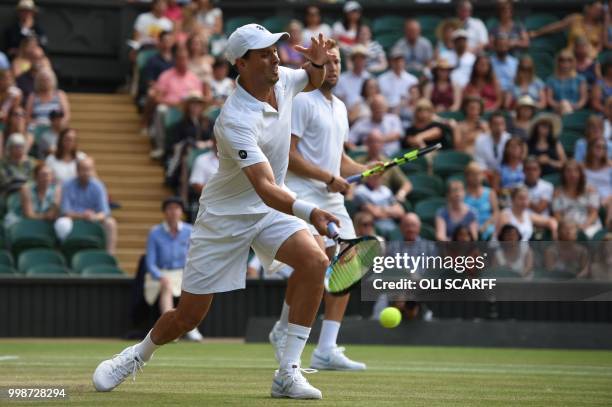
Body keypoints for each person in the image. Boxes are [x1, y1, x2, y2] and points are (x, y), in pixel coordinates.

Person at [93, 24, 339, 399]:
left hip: (269, 210)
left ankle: (287, 372)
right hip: (225, 217)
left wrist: (319, 64)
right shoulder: (234, 120)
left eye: (275, 49)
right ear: (240, 63)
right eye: (264, 53)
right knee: (188, 316)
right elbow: (265, 187)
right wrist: (311, 212)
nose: (275, 57)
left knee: (314, 262)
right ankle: (137, 355)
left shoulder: (285, 79)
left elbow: (312, 78)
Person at [269, 41, 369, 371]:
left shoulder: (339, 106)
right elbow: (290, 155)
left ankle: (326, 349)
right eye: (330, 61)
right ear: (317, 63)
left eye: (339, 62)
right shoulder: (301, 101)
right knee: (315, 259)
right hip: (302, 194)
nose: (335, 67)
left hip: (332, 198)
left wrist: (365, 169)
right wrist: (329, 177)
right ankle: (283, 329)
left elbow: (338, 158)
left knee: (349, 263)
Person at [144, 197, 203, 342]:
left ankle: (190, 327)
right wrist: (160, 276)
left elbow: (194, 255)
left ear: (181, 212)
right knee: (167, 285)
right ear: (165, 212)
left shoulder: (190, 230)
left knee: (192, 286)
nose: (173, 212)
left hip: (183, 272)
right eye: (170, 208)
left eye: (176, 208)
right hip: (160, 274)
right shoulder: (155, 232)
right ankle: (170, 330)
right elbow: (150, 263)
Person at [148, 46, 202, 159]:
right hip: (170, 108)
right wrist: (172, 104)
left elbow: (199, 99)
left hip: (188, 110)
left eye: (185, 58)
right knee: (160, 109)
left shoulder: (194, 78)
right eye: (180, 58)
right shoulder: (166, 76)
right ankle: (160, 147)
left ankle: (197, 147)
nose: (183, 61)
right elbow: (157, 98)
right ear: (175, 60)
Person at [54, 157, 117, 254]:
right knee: (62, 223)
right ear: (77, 171)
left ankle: (109, 256)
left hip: (93, 219)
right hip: (72, 219)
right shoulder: (67, 185)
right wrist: (83, 216)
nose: (86, 173)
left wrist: (94, 217)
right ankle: (62, 252)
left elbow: (105, 212)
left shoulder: (98, 186)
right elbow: (65, 211)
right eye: (83, 170)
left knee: (111, 223)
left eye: (89, 169)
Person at [529, 1, 604, 59]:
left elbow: (600, 46)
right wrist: (537, 33)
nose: (598, 12)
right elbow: (556, 26)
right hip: (570, 55)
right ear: (587, 8)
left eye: (600, 11)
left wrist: (593, 56)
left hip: (589, 58)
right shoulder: (575, 18)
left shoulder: (601, 27)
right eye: (596, 9)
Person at [356, 130, 412, 203]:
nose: (375, 144)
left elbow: (407, 184)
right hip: (364, 200)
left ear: (382, 144)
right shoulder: (358, 161)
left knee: (410, 214)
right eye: (372, 141)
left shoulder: (389, 163)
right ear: (366, 143)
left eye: (378, 141)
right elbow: (349, 182)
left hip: (385, 199)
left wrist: (400, 195)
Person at [552, 160, 602, 239]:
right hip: (566, 227)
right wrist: (567, 227)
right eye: (568, 171)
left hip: (588, 225)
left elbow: (594, 213)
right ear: (563, 174)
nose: (572, 174)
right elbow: (557, 215)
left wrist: (583, 226)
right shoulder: (557, 192)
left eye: (576, 171)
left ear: (580, 174)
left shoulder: (591, 190)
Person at [7, 163, 61, 228]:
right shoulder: (26, 189)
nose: (47, 177)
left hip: (43, 223)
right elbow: (29, 215)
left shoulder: (57, 189)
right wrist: (46, 216)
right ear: (35, 176)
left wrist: (52, 213)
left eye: (50, 174)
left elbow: (54, 211)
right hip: (19, 221)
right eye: (43, 175)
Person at [545, 51, 588, 115]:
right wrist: (559, 106)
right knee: (564, 103)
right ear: (558, 62)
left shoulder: (580, 79)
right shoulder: (551, 80)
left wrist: (576, 106)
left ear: (573, 62)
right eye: (562, 60)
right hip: (557, 109)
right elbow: (550, 99)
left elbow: (583, 98)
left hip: (575, 108)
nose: (565, 63)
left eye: (569, 60)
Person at [464, 162, 498, 240]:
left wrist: (486, 225)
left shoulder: (490, 193)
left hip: (488, 229)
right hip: (468, 231)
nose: (477, 177)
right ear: (467, 176)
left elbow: (496, 213)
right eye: (473, 174)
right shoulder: (463, 194)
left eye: (479, 174)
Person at [333, 44, 370, 108]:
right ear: (353, 60)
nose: (360, 61)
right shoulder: (342, 79)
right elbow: (338, 100)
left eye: (362, 58)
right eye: (357, 58)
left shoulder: (369, 78)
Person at [583, 137, 612, 217]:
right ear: (591, 148)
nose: (601, 150)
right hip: (589, 199)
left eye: (603, 148)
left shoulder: (610, 166)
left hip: (608, 199)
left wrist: (607, 199)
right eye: (598, 147)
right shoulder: (582, 167)